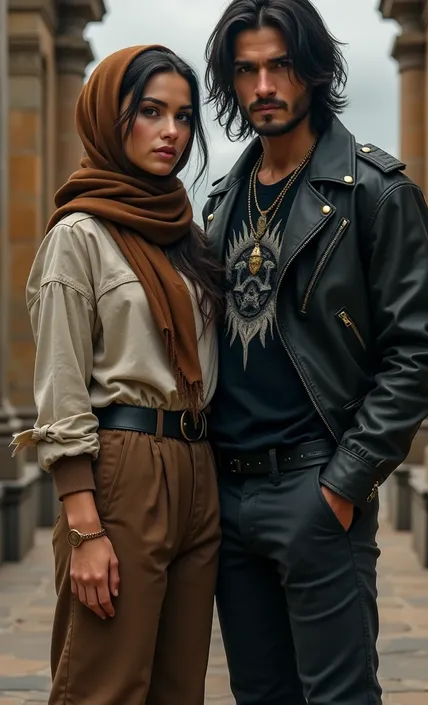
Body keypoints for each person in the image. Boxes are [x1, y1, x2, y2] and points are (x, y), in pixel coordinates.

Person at [203, 1, 428, 704]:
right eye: (246, 70)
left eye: (280, 65)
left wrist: (344, 484)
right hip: (231, 492)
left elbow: (423, 350)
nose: (263, 87)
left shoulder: (375, 191)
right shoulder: (223, 201)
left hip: (316, 486)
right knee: (260, 693)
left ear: (313, 70)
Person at [11, 45, 222, 705]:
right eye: (151, 111)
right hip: (122, 471)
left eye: (184, 117)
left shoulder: (186, 235)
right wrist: (85, 525)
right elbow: (61, 382)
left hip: (197, 464)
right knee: (105, 685)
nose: (172, 132)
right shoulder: (79, 235)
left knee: (177, 687)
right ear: (110, 116)